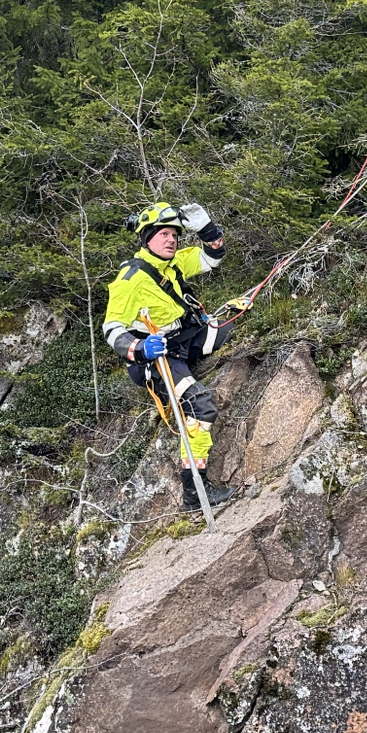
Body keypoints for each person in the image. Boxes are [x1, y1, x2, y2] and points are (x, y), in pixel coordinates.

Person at [102, 199, 233, 512]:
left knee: (231, 325)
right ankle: (195, 493)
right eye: (163, 234)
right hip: (155, 358)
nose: (172, 239)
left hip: (181, 341)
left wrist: (206, 228)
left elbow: (212, 257)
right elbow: (111, 329)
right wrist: (138, 349)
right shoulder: (130, 280)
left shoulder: (171, 264)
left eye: (175, 234)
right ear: (148, 239)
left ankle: (193, 366)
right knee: (200, 406)